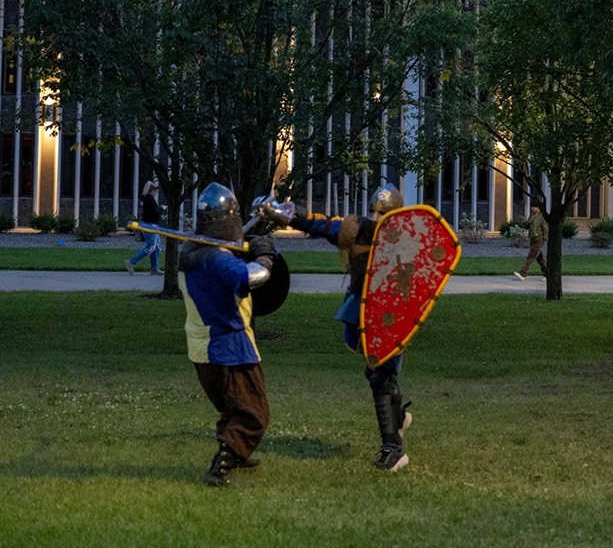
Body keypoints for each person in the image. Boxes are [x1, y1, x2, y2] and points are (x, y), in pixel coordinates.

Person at [295, 185, 415, 471]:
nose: (376, 217)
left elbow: (414, 285)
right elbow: (319, 222)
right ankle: (398, 419)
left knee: (380, 377)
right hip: (361, 310)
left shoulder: (407, 241)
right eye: (373, 210)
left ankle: (393, 449)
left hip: (390, 317)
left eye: (383, 213)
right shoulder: (356, 230)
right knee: (376, 372)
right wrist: (284, 213)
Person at [179, 182, 278, 486]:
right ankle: (224, 461)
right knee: (254, 412)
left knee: (233, 407)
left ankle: (238, 451)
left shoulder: (190, 253)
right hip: (229, 349)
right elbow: (250, 277)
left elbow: (223, 259)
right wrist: (265, 256)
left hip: (201, 350)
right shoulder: (217, 260)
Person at [126, 179, 163, 274]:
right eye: (156, 191)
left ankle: (155, 268)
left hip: (147, 224)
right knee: (152, 246)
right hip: (150, 225)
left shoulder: (144, 198)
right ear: (152, 190)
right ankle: (131, 262)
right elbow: (155, 212)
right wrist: (162, 208)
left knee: (156, 246)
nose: (156, 193)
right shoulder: (149, 199)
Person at [514, 204, 547, 281]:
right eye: (532, 207)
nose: (532, 209)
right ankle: (547, 273)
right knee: (539, 258)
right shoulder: (532, 215)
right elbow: (527, 226)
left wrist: (546, 238)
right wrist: (524, 221)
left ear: (538, 207)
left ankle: (523, 273)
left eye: (534, 207)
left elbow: (545, 228)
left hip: (539, 239)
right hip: (532, 238)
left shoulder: (542, 216)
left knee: (531, 256)